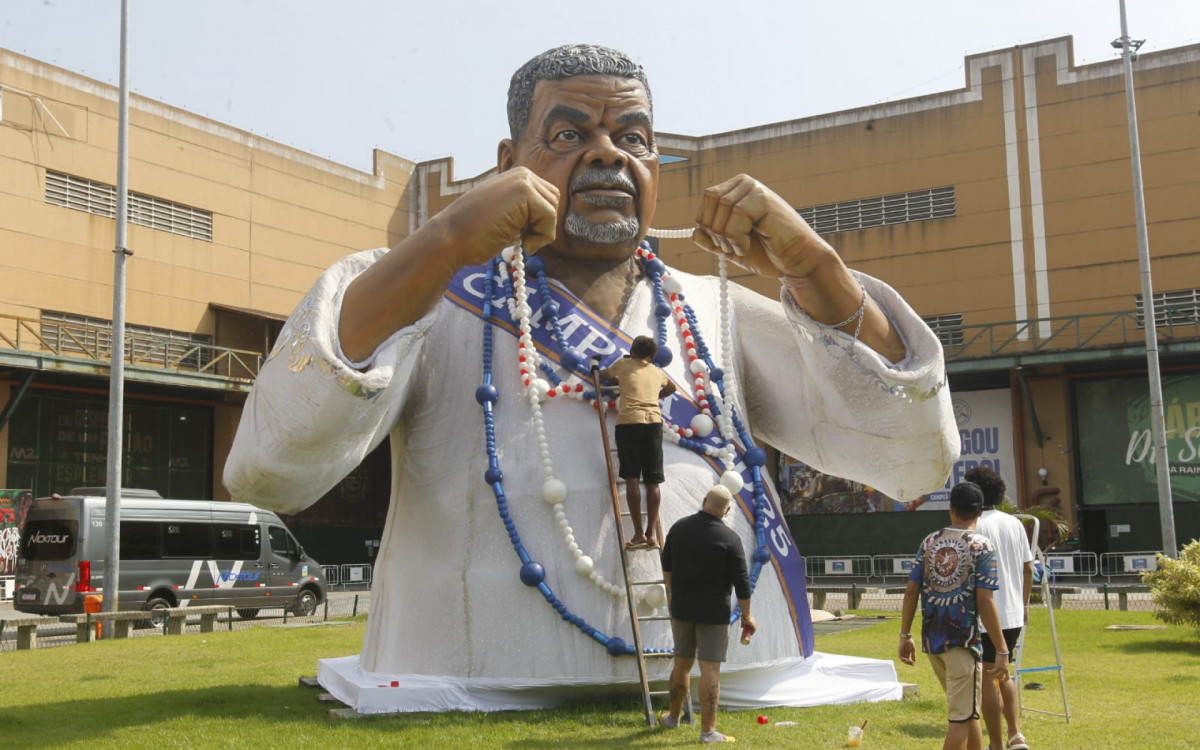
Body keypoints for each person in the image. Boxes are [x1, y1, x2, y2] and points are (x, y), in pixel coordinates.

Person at [225, 43, 958, 709]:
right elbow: (270, 470)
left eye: (633, 138)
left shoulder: (714, 308)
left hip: (744, 663)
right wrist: (443, 241)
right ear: (511, 158)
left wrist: (820, 273)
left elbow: (913, 456)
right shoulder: (432, 294)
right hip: (468, 667)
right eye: (572, 134)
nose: (609, 155)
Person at [899, 482, 1009, 750]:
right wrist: (1003, 649)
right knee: (960, 720)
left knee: (967, 711)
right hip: (963, 643)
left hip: (933, 641)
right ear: (980, 512)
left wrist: (905, 635)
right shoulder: (982, 546)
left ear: (951, 509)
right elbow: (984, 601)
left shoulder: (929, 541)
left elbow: (911, 590)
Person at [659, 484, 756, 744]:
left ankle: (673, 718)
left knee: (681, 663)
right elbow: (743, 584)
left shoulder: (678, 528)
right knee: (710, 668)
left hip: (681, 607)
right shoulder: (730, 539)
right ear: (726, 511)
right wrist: (747, 616)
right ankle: (708, 732)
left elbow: (666, 564)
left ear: (704, 501)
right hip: (714, 612)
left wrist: (671, 593)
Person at [967, 466, 1034, 750]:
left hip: (985, 613)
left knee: (986, 674)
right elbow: (1028, 568)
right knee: (1005, 671)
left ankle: (995, 742)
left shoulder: (973, 525)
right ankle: (1015, 734)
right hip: (1013, 612)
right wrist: (1025, 603)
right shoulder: (1014, 523)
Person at [599, 335, 676, 549]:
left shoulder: (623, 364)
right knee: (653, 480)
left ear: (632, 351)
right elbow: (672, 388)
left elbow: (603, 376)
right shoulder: (656, 371)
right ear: (651, 355)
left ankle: (638, 534)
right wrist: (653, 397)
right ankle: (652, 534)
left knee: (632, 477)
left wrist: (600, 370)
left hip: (629, 423)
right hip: (654, 423)